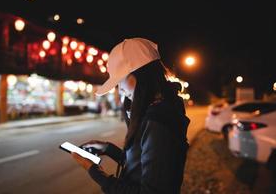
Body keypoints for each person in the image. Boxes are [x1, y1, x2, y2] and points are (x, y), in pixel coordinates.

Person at [71, 38, 190, 194]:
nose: (119, 90)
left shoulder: (158, 119)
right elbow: (141, 165)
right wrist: (108, 149)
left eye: (120, 81)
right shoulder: (158, 108)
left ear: (141, 75)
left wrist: (94, 171)